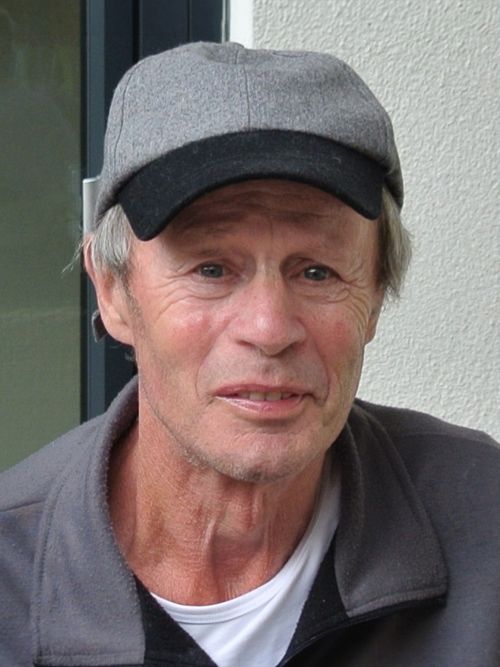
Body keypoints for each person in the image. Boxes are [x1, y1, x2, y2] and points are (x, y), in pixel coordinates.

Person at [0, 42, 499, 667]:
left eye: (316, 271)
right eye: (211, 269)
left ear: (375, 296)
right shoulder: (12, 576)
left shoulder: (484, 523)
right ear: (113, 291)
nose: (269, 329)